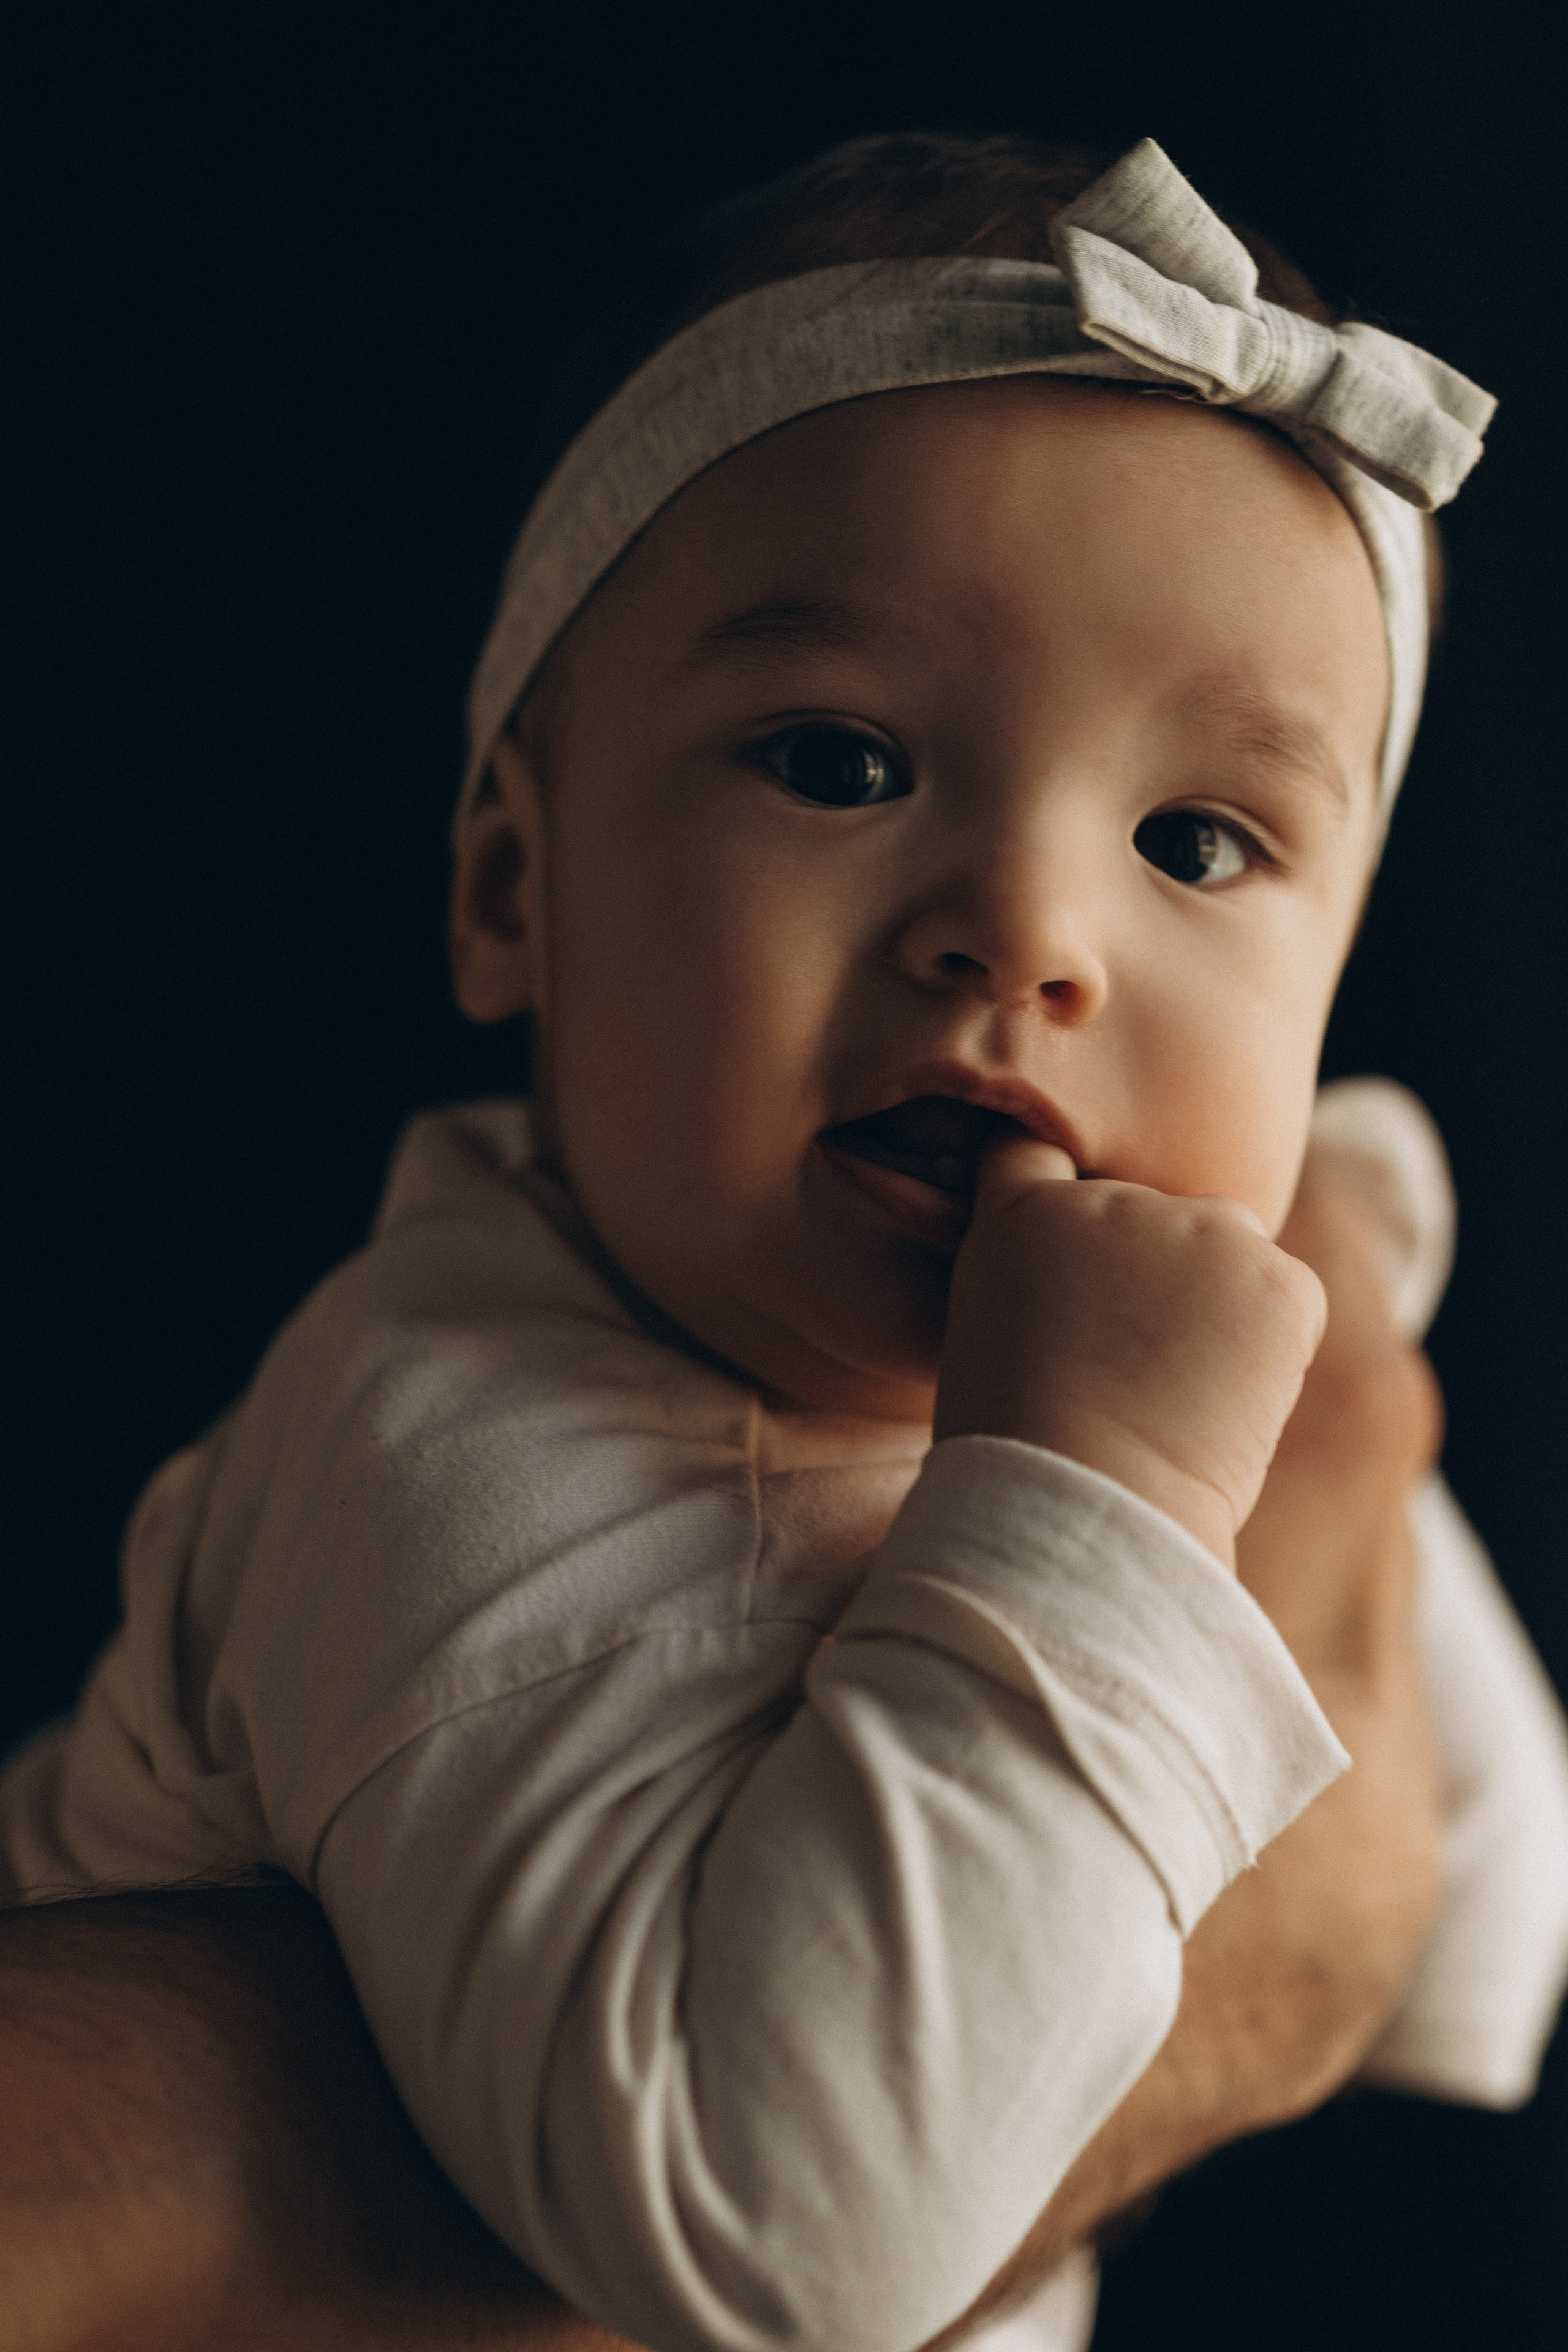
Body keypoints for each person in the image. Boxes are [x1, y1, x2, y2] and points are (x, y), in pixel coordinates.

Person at [6, 134, 1568, 2352]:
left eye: (1197, 840)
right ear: (510, 893)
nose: (1026, 932)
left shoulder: (1204, 1328)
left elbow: (1468, 1893)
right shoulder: (456, 1456)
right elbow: (790, 2242)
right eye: (839, 763)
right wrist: (1109, 1508)